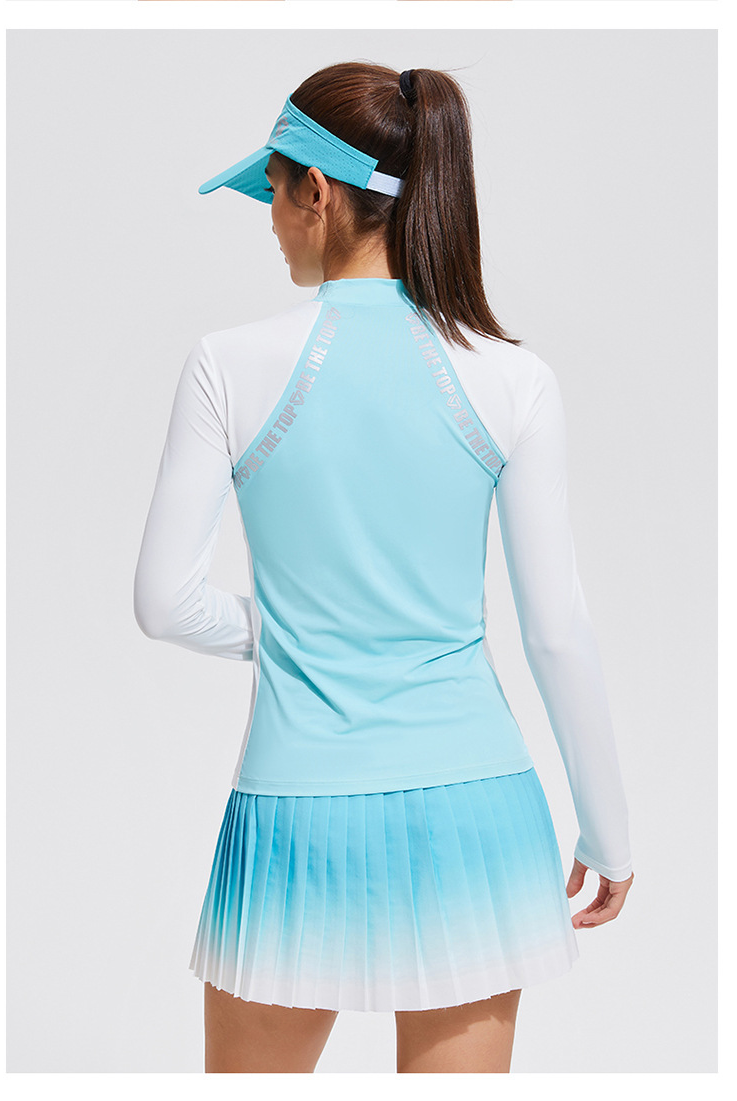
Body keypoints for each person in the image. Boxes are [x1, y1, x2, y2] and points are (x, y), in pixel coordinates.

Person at [133, 62, 634, 1074]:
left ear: (316, 192)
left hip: (297, 813)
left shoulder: (227, 363)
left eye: (272, 191)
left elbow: (163, 603)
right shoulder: (513, 376)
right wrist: (609, 831)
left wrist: (289, 629)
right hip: (478, 814)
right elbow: (556, 630)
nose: (272, 221)